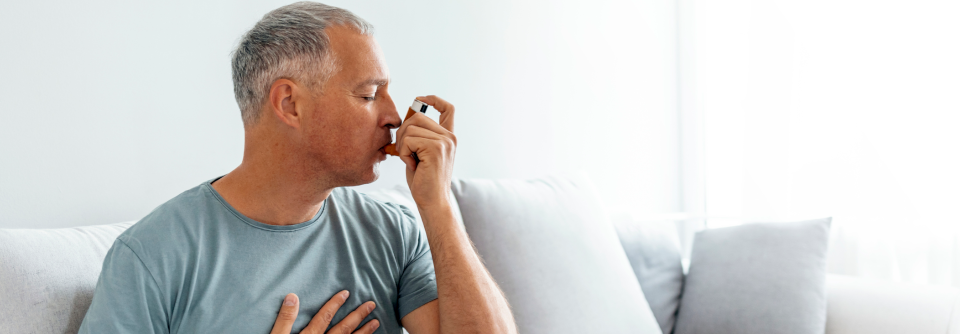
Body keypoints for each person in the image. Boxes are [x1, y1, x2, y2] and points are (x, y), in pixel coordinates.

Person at [78, 2, 517, 333]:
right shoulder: (155, 256)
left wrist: (438, 204)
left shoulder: (393, 232)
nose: (395, 117)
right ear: (290, 104)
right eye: (368, 95)